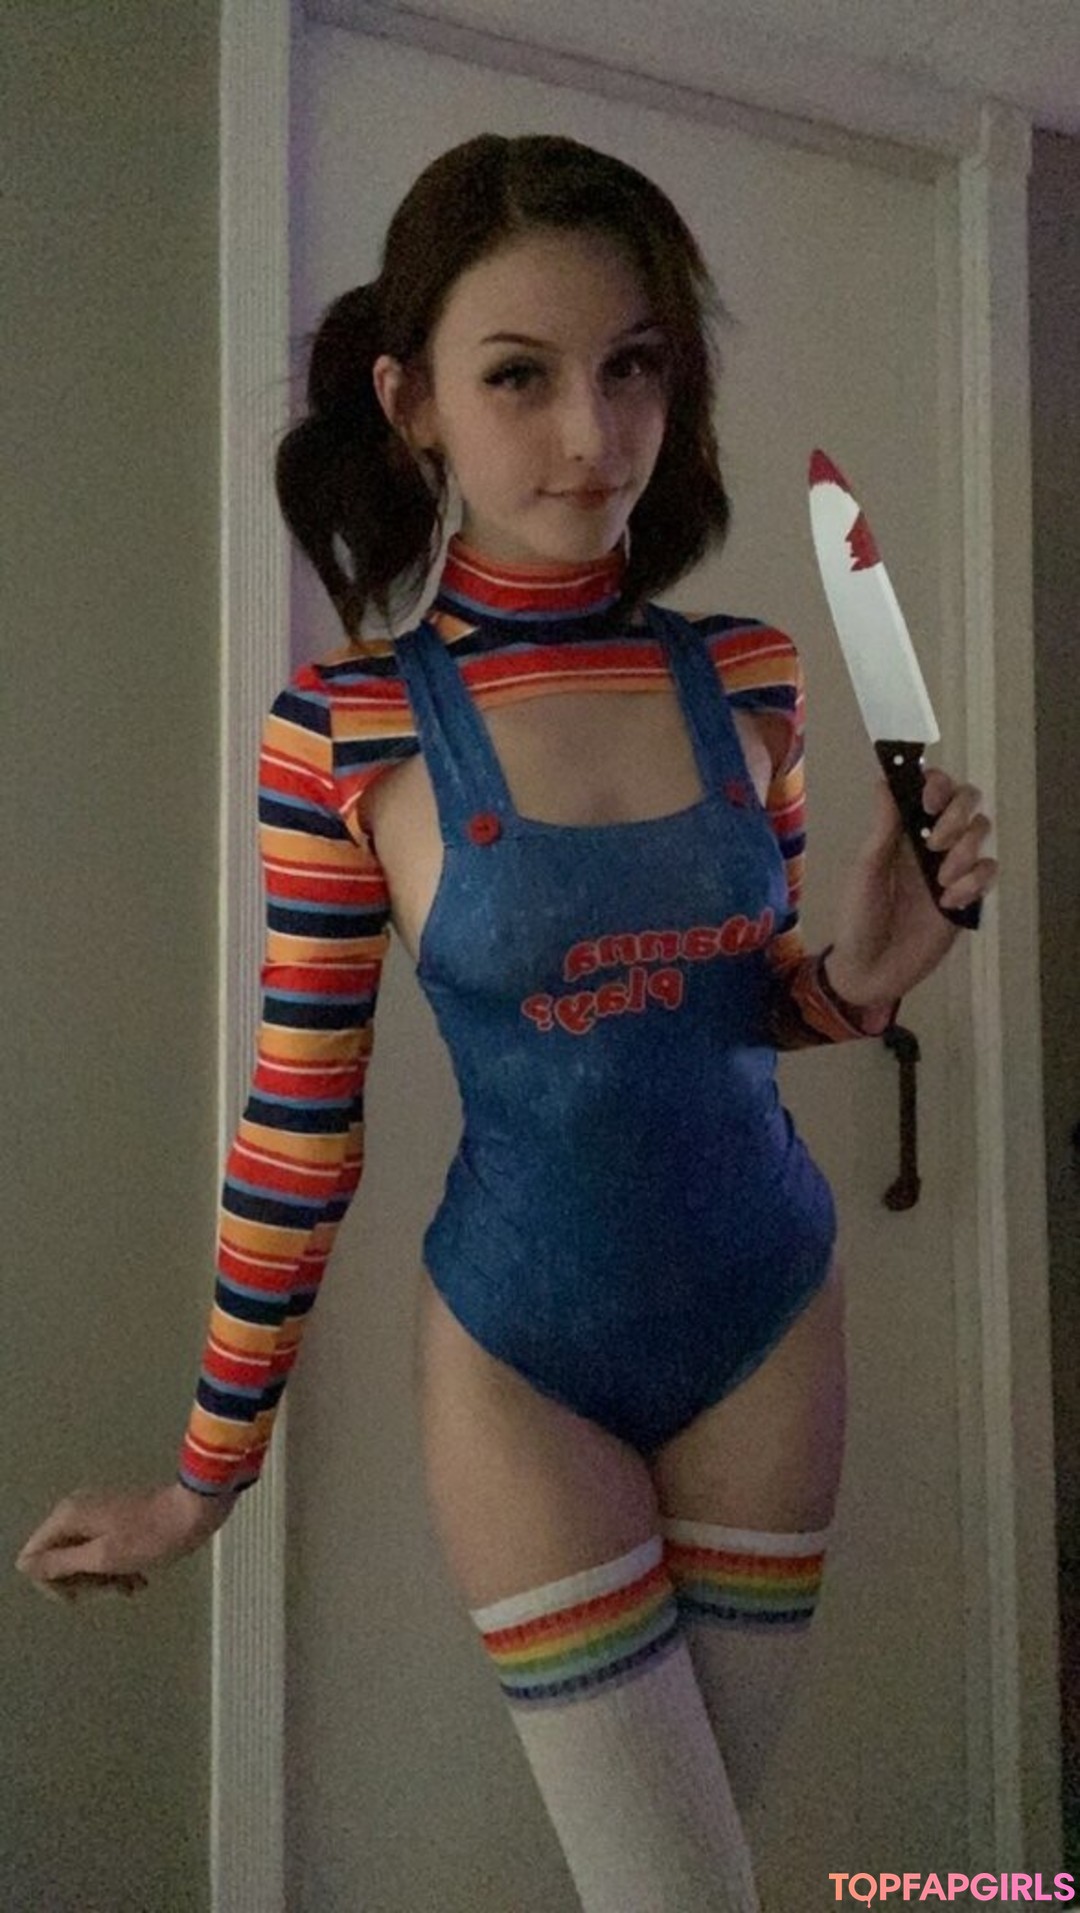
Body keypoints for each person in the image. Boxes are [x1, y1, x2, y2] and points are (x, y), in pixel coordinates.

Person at [15, 133, 997, 1910]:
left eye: (634, 369)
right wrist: (199, 1483)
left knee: (700, 1882)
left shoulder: (755, 677)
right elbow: (299, 1127)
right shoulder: (346, 730)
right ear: (412, 403)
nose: (591, 436)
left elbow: (738, 1013)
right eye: (520, 377)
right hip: (520, 1358)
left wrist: (868, 971)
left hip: (773, 1318)